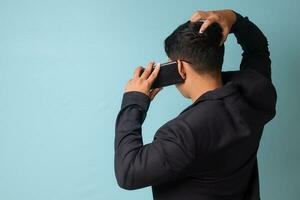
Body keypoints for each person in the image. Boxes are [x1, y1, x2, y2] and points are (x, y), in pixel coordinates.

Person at [114, 9, 277, 200]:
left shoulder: (184, 132)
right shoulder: (257, 89)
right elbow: (257, 50)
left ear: (180, 68)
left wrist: (133, 102)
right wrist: (234, 19)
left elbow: (128, 173)